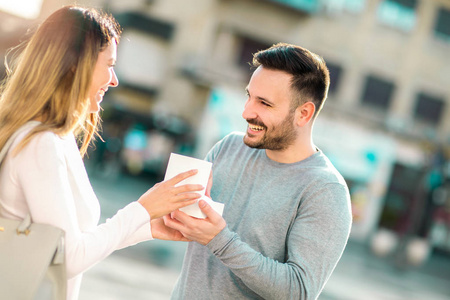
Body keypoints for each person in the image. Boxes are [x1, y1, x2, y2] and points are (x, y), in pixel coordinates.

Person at [0, 6, 202, 300]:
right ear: (75, 65)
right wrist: (142, 208)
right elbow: (69, 258)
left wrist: (147, 226)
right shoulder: (40, 142)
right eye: (109, 64)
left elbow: (77, 241)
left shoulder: (54, 136)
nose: (114, 79)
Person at [164, 43, 353, 299]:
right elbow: (186, 228)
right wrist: (170, 212)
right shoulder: (228, 147)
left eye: (264, 103)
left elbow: (298, 291)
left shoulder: (325, 190)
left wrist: (220, 240)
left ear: (304, 113)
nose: (246, 112)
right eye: (249, 96)